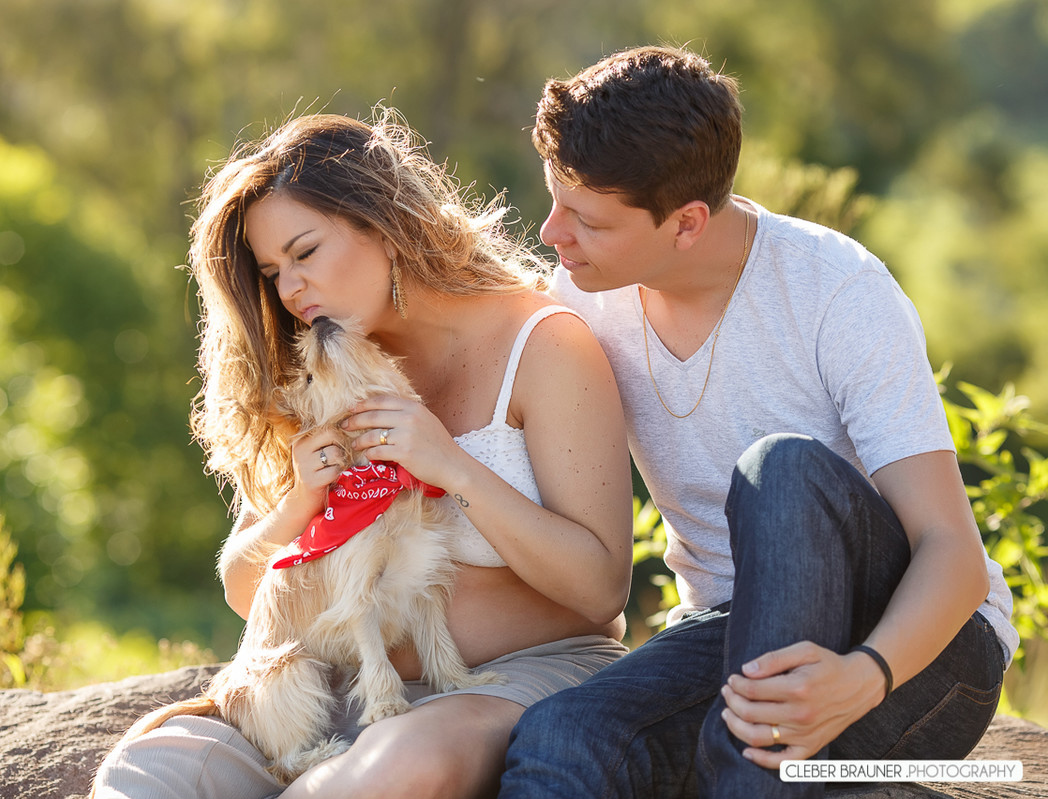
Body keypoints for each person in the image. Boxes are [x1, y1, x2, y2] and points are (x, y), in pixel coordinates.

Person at [498, 44, 1018, 798]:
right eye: (555, 202)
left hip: (917, 653)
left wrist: (861, 677)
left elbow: (954, 554)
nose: (552, 233)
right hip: (723, 632)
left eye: (585, 219)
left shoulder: (836, 291)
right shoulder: (581, 296)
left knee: (781, 469)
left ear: (686, 223)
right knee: (563, 735)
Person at [91, 110, 633, 799]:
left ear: (381, 223)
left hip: (505, 679)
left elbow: (599, 590)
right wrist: (302, 501)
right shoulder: (322, 370)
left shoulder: (543, 344)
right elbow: (248, 590)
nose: (289, 289)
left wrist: (449, 466)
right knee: (147, 773)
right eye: (272, 270)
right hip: (328, 689)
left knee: (396, 770)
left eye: (305, 252)